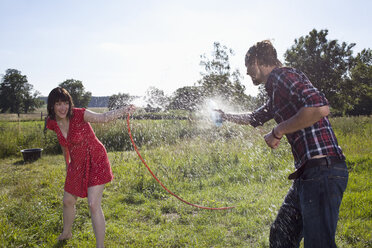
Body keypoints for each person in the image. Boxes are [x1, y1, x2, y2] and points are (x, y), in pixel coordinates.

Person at [217, 40, 348, 247]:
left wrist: (278, 131)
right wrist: (224, 116)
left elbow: (319, 108)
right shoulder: (275, 91)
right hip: (306, 176)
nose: (247, 72)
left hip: (323, 171)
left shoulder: (283, 76)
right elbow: (254, 117)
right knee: (281, 236)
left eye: (247, 66)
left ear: (257, 61)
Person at [46, 87, 135, 248]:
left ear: (69, 104)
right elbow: (64, 146)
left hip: (96, 160)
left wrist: (124, 109)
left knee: (93, 204)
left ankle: (100, 246)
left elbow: (104, 118)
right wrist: (68, 166)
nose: (62, 107)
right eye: (58, 104)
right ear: (52, 106)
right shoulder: (53, 122)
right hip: (77, 163)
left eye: (65, 103)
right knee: (67, 200)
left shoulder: (79, 114)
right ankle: (67, 232)